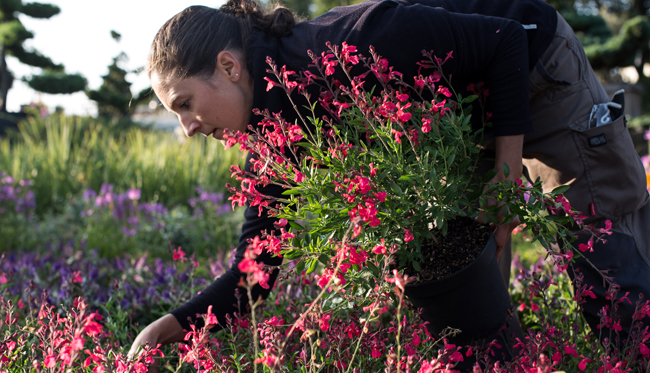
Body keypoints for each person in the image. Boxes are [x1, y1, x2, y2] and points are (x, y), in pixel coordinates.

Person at [129, 0, 650, 366]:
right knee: (460, 280)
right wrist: (168, 327)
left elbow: (504, 42)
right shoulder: (272, 138)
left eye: (184, 104)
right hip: (456, 117)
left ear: (228, 66)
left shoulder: (346, 43)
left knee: (606, 260)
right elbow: (256, 271)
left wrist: (506, 175)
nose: (187, 128)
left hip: (534, 70)